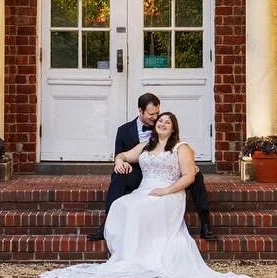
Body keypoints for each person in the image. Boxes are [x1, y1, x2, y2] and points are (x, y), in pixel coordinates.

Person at [41, 112, 250, 278]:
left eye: (167, 122)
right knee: (121, 205)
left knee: (139, 208)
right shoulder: (145, 145)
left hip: (170, 193)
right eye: (160, 120)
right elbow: (123, 155)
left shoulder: (181, 147)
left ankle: (142, 258)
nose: (162, 123)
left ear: (173, 128)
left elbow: (189, 176)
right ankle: (127, 257)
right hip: (145, 190)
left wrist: (166, 190)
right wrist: (118, 162)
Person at [87, 93, 216, 241]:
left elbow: (179, 149)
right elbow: (121, 154)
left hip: (166, 174)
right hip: (138, 173)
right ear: (140, 111)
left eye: (157, 114)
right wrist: (119, 162)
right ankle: (108, 223)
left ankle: (205, 223)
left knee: (195, 175)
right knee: (118, 174)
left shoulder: (162, 124)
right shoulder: (124, 130)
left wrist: (190, 165)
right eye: (151, 114)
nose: (156, 119)